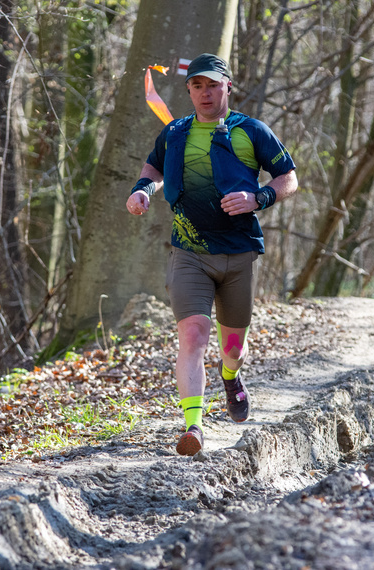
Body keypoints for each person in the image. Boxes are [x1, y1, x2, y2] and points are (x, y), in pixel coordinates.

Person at [126, 53, 298, 456]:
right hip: (189, 252)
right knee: (193, 334)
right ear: (188, 90)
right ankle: (193, 426)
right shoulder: (175, 133)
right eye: (197, 86)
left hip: (239, 254)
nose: (205, 93)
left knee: (232, 347)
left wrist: (259, 198)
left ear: (227, 87)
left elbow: (289, 178)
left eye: (213, 85)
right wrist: (141, 190)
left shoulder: (251, 131)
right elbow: (153, 169)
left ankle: (231, 376)